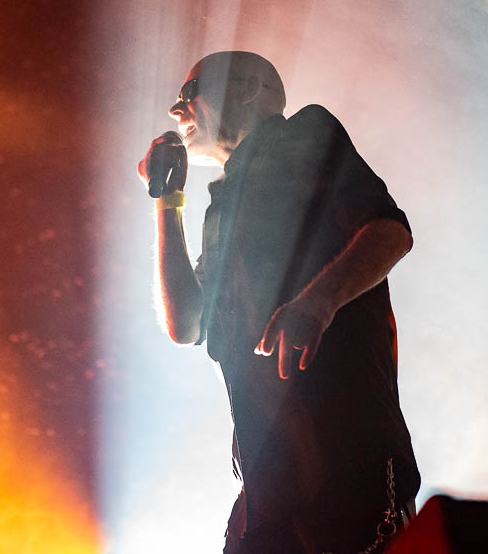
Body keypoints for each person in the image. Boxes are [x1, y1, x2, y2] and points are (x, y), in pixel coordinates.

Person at [138, 51, 420, 553]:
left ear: (247, 89)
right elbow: (186, 324)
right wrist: (167, 200)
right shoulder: (221, 207)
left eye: (190, 93)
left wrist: (317, 303)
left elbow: (389, 232)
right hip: (267, 487)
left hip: (345, 463)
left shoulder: (304, 136)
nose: (175, 110)